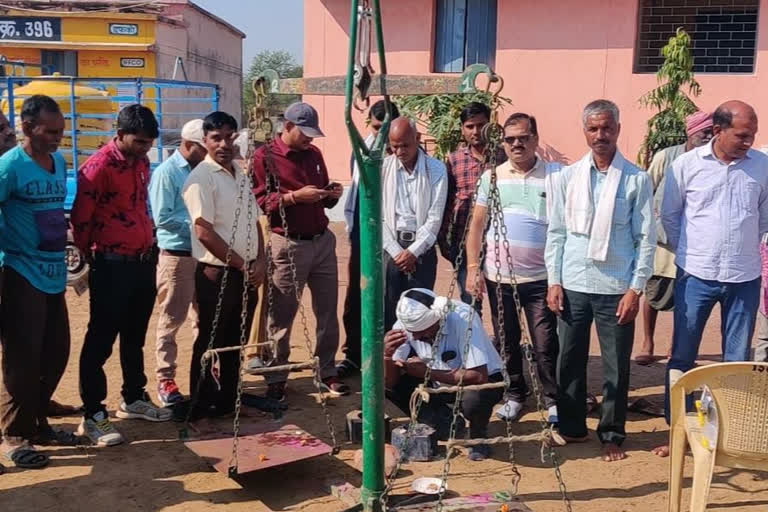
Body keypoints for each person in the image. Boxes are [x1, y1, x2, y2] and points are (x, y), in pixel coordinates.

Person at [653, 100, 768, 458]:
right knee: (682, 358)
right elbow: (669, 217)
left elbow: (765, 218)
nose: (748, 142)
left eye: (752, 135)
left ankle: (729, 437)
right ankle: (679, 434)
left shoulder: (763, 167)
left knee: (735, 361)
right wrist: (692, 252)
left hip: (745, 276)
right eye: (742, 135)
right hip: (696, 275)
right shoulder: (686, 166)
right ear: (717, 131)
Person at [545, 99, 656, 462]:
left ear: (618, 130)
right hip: (574, 281)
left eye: (607, 128)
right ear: (585, 132)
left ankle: (611, 433)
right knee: (570, 361)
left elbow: (645, 239)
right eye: (593, 129)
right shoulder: (567, 176)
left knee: (615, 366)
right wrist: (554, 281)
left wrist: (635, 289)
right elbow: (557, 233)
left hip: (615, 288)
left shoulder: (636, 179)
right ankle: (572, 427)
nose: (600, 135)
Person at [72, 104, 170, 447]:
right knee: (101, 338)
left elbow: (141, 205)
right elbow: (81, 218)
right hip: (110, 264)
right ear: (120, 134)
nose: (145, 148)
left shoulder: (141, 163)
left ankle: (133, 397)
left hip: (142, 261)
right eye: (139, 141)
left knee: (134, 335)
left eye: (148, 143)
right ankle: (94, 414)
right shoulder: (97, 168)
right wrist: (87, 259)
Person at [0, 95, 79, 472]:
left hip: (54, 273)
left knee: (56, 352)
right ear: (28, 127)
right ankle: (15, 435)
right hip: (20, 272)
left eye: (60, 132)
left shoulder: (58, 162)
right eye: (50, 132)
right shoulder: (9, 167)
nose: (57, 139)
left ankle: (39, 423)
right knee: (22, 357)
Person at [466, 113, 560, 424]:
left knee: (544, 342)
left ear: (535, 139)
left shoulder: (555, 176)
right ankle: (516, 394)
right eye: (510, 139)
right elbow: (477, 225)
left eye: (523, 137)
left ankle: (552, 398)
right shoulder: (491, 177)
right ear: (503, 143)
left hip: (539, 278)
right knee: (507, 340)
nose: (517, 144)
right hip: (499, 277)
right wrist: (472, 267)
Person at [252, 101, 348, 400]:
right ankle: (276, 374)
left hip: (321, 240)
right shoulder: (264, 157)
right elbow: (260, 201)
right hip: (288, 243)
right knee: (282, 312)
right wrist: (294, 197)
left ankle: (326, 370)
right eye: (304, 133)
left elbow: (321, 199)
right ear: (288, 126)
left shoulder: (314, 154)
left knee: (327, 310)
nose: (309, 139)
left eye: (312, 134)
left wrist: (331, 194)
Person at [182, 111, 266, 419]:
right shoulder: (201, 178)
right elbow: (204, 231)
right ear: (204, 141)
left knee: (236, 341)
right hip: (217, 273)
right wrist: (244, 265)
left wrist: (261, 261)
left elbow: (255, 221)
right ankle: (200, 408)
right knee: (211, 341)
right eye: (217, 138)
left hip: (247, 271)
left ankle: (229, 403)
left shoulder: (240, 174)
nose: (224, 144)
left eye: (229, 137)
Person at [384, 288, 505, 461]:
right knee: (388, 382)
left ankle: (478, 435)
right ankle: (443, 422)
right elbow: (389, 382)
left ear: (439, 320)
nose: (416, 337)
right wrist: (386, 356)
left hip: (481, 381)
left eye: (423, 331)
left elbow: (479, 376)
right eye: (413, 332)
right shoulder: (407, 325)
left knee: (474, 398)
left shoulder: (464, 317)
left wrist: (428, 373)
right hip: (439, 383)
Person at [636, 111, 713, 365]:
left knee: (685, 297)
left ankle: (674, 346)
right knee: (653, 292)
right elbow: (646, 189)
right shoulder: (666, 156)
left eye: (712, 133)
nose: (708, 137)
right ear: (690, 133)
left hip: (693, 242)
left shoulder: (712, 162)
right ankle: (647, 342)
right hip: (662, 240)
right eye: (704, 133)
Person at [338, 100, 399, 379]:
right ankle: (353, 354)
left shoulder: (402, 154)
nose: (380, 134)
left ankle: (388, 357)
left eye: (384, 128)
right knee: (357, 292)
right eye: (376, 127)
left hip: (393, 237)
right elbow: (356, 192)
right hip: (362, 232)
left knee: (388, 295)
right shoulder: (360, 148)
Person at [148, 119, 208, 406]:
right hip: (178, 257)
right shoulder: (167, 173)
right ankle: (165, 378)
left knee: (204, 317)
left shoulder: (204, 171)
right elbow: (163, 218)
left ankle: (205, 373)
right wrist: (201, 226)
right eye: (204, 146)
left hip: (205, 255)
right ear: (188, 144)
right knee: (172, 319)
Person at [382, 117, 448, 330]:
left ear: (417, 138)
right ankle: (390, 360)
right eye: (395, 146)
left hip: (422, 249)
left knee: (419, 311)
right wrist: (397, 253)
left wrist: (413, 252)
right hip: (390, 247)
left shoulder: (435, 169)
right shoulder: (382, 169)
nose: (400, 151)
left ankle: (416, 360)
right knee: (389, 309)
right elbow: (379, 216)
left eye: (405, 145)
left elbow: (434, 217)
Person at [439, 102, 506, 306]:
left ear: (490, 126)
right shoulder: (454, 160)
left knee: (500, 303)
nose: (476, 131)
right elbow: (447, 201)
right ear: (462, 129)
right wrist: (443, 240)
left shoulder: (504, 157)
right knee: (470, 302)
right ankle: (472, 338)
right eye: (470, 126)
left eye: (481, 125)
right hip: (463, 242)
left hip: (498, 242)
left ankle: (499, 339)